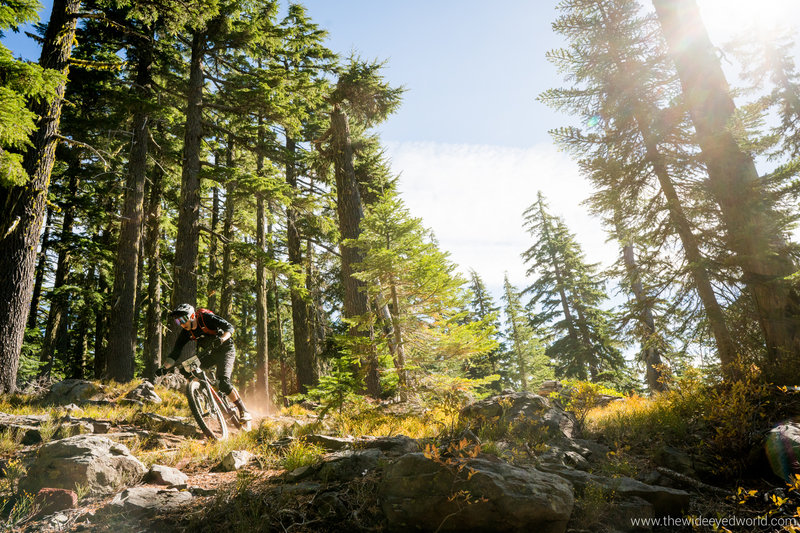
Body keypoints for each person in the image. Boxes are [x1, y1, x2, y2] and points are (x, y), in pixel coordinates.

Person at [157, 303, 251, 422]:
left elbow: (229, 327)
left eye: (183, 319)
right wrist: (164, 368)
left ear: (191, 316)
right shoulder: (186, 332)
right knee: (185, 369)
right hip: (209, 354)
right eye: (177, 321)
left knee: (223, 382)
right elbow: (176, 352)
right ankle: (206, 391)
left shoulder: (205, 318)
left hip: (226, 350)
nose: (181, 323)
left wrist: (222, 339)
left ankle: (243, 410)